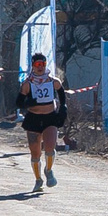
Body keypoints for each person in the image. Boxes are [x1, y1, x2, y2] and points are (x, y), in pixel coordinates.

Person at [16, 51, 68, 192]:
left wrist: (63, 107)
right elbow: (19, 102)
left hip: (49, 117)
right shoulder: (27, 84)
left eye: (43, 64)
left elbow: (62, 95)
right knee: (35, 153)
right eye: (37, 64)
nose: (40, 67)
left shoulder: (53, 81)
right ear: (33, 66)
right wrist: (28, 103)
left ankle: (49, 170)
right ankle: (38, 180)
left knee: (50, 147)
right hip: (33, 119)